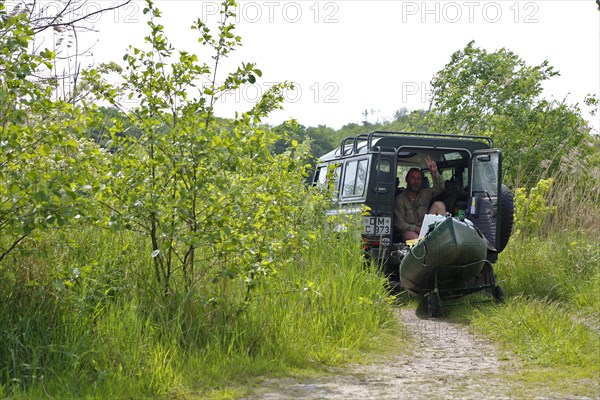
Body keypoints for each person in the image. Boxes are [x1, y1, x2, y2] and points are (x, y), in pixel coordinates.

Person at [394, 156, 446, 242]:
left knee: (439, 205)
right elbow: (399, 224)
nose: (415, 181)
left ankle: (443, 239)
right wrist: (415, 228)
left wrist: (434, 173)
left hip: (425, 228)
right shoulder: (400, 199)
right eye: (413, 178)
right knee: (417, 241)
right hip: (408, 231)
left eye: (418, 178)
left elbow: (440, 188)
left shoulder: (425, 193)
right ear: (407, 179)